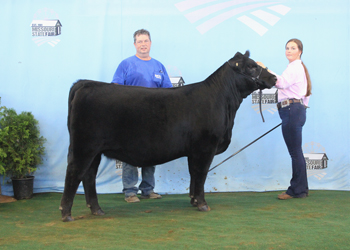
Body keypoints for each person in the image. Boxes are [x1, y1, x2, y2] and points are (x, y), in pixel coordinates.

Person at [111, 29, 173, 203]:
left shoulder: (159, 66)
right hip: (130, 118)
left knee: (151, 154)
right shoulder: (126, 64)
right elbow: (115, 89)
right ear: (134, 44)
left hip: (153, 119)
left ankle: (148, 189)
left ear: (150, 43)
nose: (143, 44)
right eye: (139, 41)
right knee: (129, 154)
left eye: (146, 41)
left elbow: (168, 92)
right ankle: (130, 192)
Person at [257, 38, 312, 200]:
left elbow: (280, 83)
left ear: (300, 51)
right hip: (295, 110)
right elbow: (306, 94)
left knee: (295, 153)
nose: (289, 50)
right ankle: (301, 189)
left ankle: (296, 190)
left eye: (293, 48)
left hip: (291, 110)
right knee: (296, 152)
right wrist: (299, 109)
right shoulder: (298, 68)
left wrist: (265, 69)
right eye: (287, 48)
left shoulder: (295, 67)